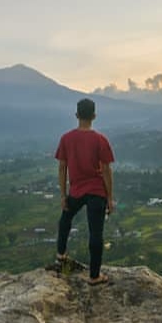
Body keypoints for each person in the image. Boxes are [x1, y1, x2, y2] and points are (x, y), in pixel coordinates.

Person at [55, 98, 116, 285]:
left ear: (76, 115)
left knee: (65, 218)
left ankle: (61, 254)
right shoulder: (100, 139)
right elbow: (106, 170)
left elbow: (62, 168)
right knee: (96, 233)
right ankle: (94, 276)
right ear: (94, 116)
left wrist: (63, 195)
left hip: (76, 191)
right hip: (97, 191)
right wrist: (110, 198)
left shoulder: (66, 139)